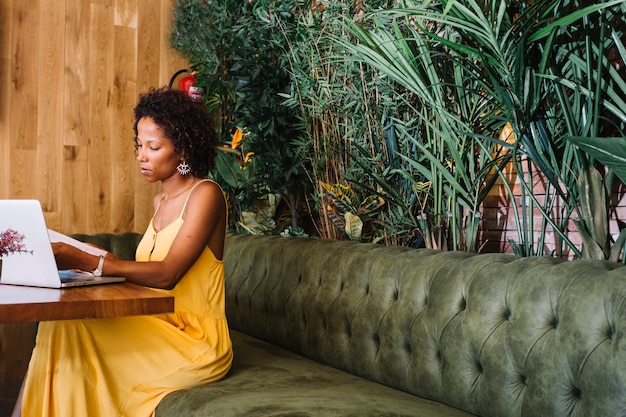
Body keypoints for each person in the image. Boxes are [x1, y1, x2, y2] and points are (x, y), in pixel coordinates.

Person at [13, 87, 233, 417]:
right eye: (139, 145)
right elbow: (145, 270)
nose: (141, 156)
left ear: (184, 150)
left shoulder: (206, 195)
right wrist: (89, 254)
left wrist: (98, 262)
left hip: (196, 340)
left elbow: (168, 274)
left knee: (70, 330)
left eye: (153, 147)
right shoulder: (160, 202)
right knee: (61, 323)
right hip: (156, 322)